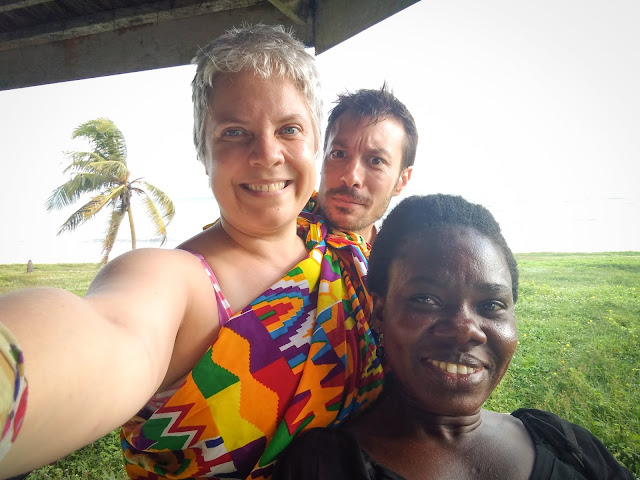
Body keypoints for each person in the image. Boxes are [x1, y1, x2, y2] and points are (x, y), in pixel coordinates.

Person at [0, 24, 383, 480]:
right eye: (235, 132)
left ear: (316, 142)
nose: (266, 153)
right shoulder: (176, 280)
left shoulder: (341, 249)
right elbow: (109, 332)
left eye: (289, 129)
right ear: (203, 151)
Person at [273, 194, 634, 480]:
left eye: (492, 304)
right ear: (379, 312)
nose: (466, 329)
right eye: (426, 299)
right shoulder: (324, 466)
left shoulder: (564, 442)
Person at [313, 85, 418, 244]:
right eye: (339, 154)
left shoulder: (398, 265)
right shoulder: (273, 227)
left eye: (376, 161)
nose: (350, 178)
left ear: (402, 180)